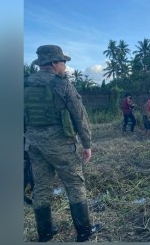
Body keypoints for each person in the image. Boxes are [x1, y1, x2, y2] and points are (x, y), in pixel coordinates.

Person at [24, 45, 100, 242]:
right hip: (61, 145)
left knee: (40, 187)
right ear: (54, 63)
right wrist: (87, 144)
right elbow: (79, 116)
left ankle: (45, 233)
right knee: (75, 184)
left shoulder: (25, 84)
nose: (65, 66)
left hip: (33, 145)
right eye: (63, 62)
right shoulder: (62, 84)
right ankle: (84, 232)